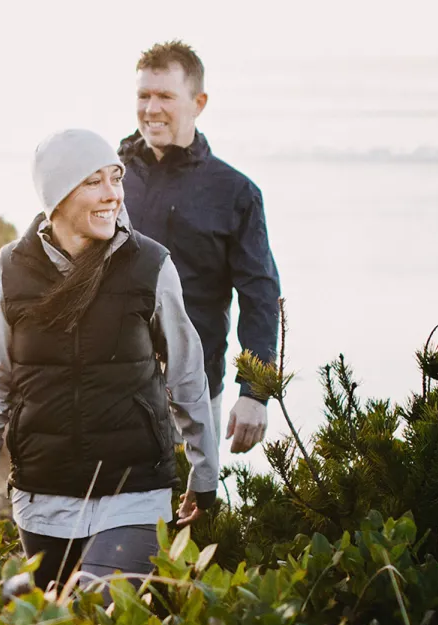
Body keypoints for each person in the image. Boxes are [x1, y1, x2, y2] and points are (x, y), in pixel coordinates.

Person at [0, 129, 219, 596]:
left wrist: (205, 477)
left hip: (135, 496)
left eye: (115, 178)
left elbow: (187, 377)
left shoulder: (150, 265)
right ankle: (14, 595)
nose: (112, 195)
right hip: (42, 502)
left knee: (98, 607)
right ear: (58, 196)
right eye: (93, 182)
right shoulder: (9, 272)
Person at [118, 40, 281, 455]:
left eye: (165, 96)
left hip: (192, 392)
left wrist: (255, 393)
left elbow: (260, 295)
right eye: (144, 95)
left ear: (199, 102)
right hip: (105, 388)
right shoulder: (107, 179)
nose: (151, 109)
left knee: (187, 514)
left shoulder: (235, 192)